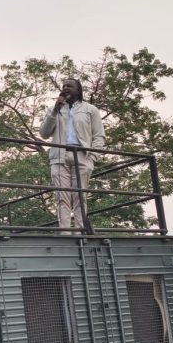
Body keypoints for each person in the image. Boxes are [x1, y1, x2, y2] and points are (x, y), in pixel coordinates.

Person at [39, 78, 105, 233]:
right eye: (63, 86)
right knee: (62, 197)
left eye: (69, 86)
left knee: (79, 197)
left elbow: (99, 136)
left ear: (78, 90)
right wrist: (55, 111)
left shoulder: (90, 109)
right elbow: (44, 133)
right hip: (59, 156)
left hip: (82, 156)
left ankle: (80, 232)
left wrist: (92, 157)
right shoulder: (54, 109)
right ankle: (65, 233)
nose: (65, 88)